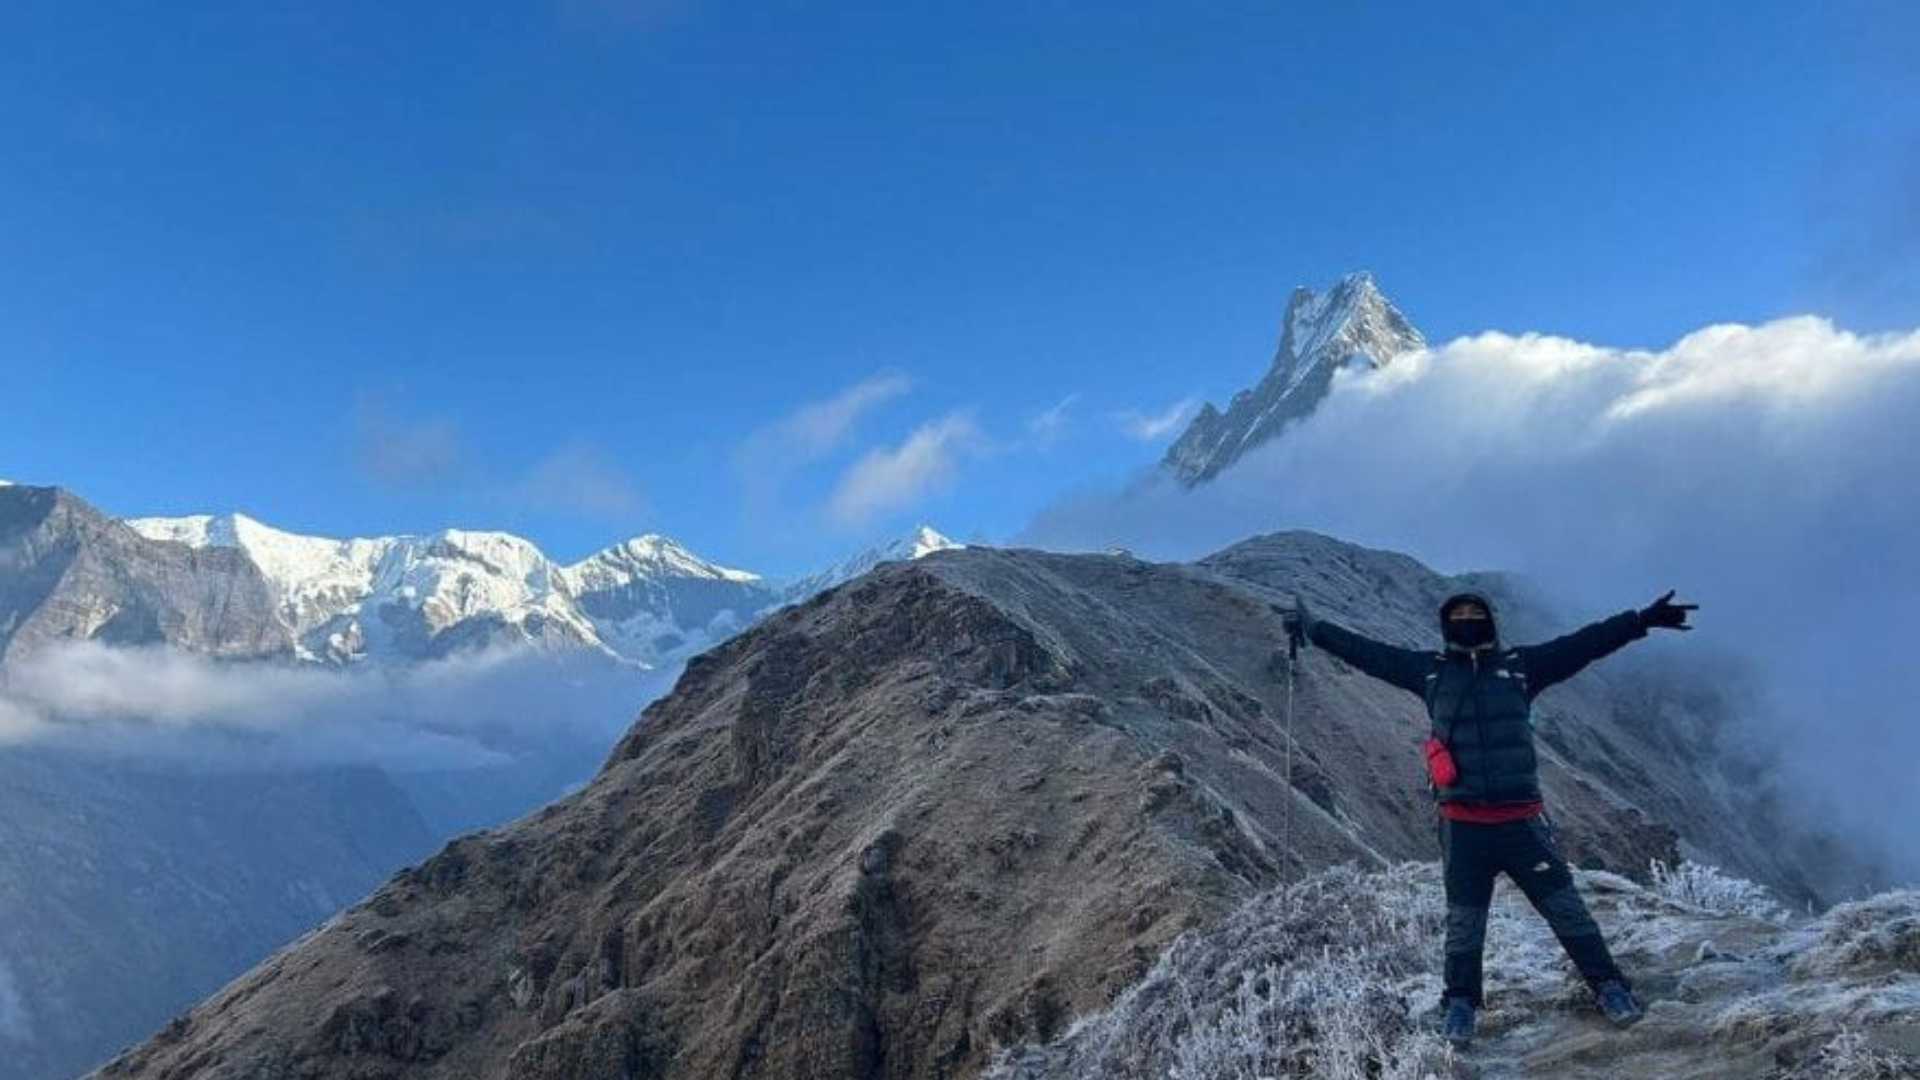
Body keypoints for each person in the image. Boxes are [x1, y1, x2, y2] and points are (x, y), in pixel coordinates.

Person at [1283, 588, 1697, 1049]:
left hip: (1522, 823)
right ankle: (1460, 1004)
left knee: (1567, 910)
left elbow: (1585, 644)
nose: (1466, 620)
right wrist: (1314, 629)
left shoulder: (1522, 668)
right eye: (1457, 615)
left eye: (1474, 614)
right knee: (1465, 922)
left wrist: (1641, 619)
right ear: (1445, 626)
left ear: (1490, 622)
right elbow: (1369, 653)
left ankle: (1610, 987)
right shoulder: (1430, 672)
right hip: (1463, 827)